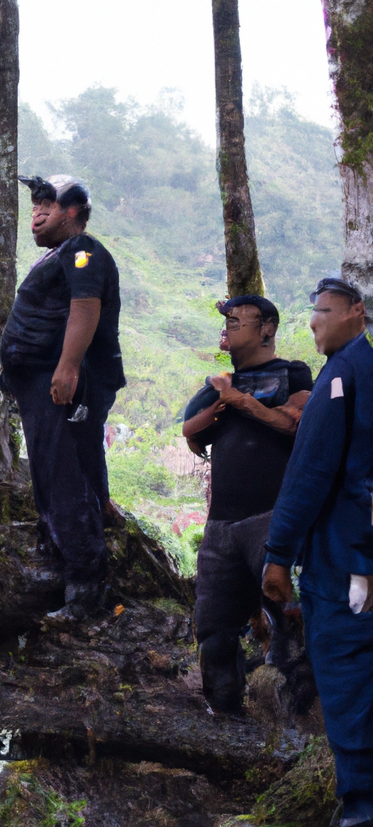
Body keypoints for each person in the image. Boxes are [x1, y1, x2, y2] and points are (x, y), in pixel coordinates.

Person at [263, 277, 373, 827]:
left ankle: (360, 807)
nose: (313, 323)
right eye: (312, 313)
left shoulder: (344, 376)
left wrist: (279, 552)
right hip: (357, 551)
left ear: (357, 312)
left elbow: (310, 475)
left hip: (345, 557)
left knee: (347, 673)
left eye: (324, 311)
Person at [0, 174, 125, 621]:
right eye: (33, 207)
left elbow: (85, 308)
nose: (35, 215)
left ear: (72, 211)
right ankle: (64, 562)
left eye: (46, 207)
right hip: (46, 386)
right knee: (57, 474)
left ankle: (85, 590)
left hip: (66, 387)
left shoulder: (83, 252)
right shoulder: (62, 254)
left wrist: (67, 367)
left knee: (62, 477)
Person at [182, 295, 312, 713]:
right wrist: (222, 399)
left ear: (267, 329)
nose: (228, 326)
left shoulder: (292, 373)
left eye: (238, 320)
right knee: (215, 629)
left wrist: (238, 402)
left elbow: (296, 423)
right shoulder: (217, 382)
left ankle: (301, 716)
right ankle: (223, 712)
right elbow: (191, 431)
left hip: (272, 516)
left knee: (291, 615)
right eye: (227, 321)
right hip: (221, 525)